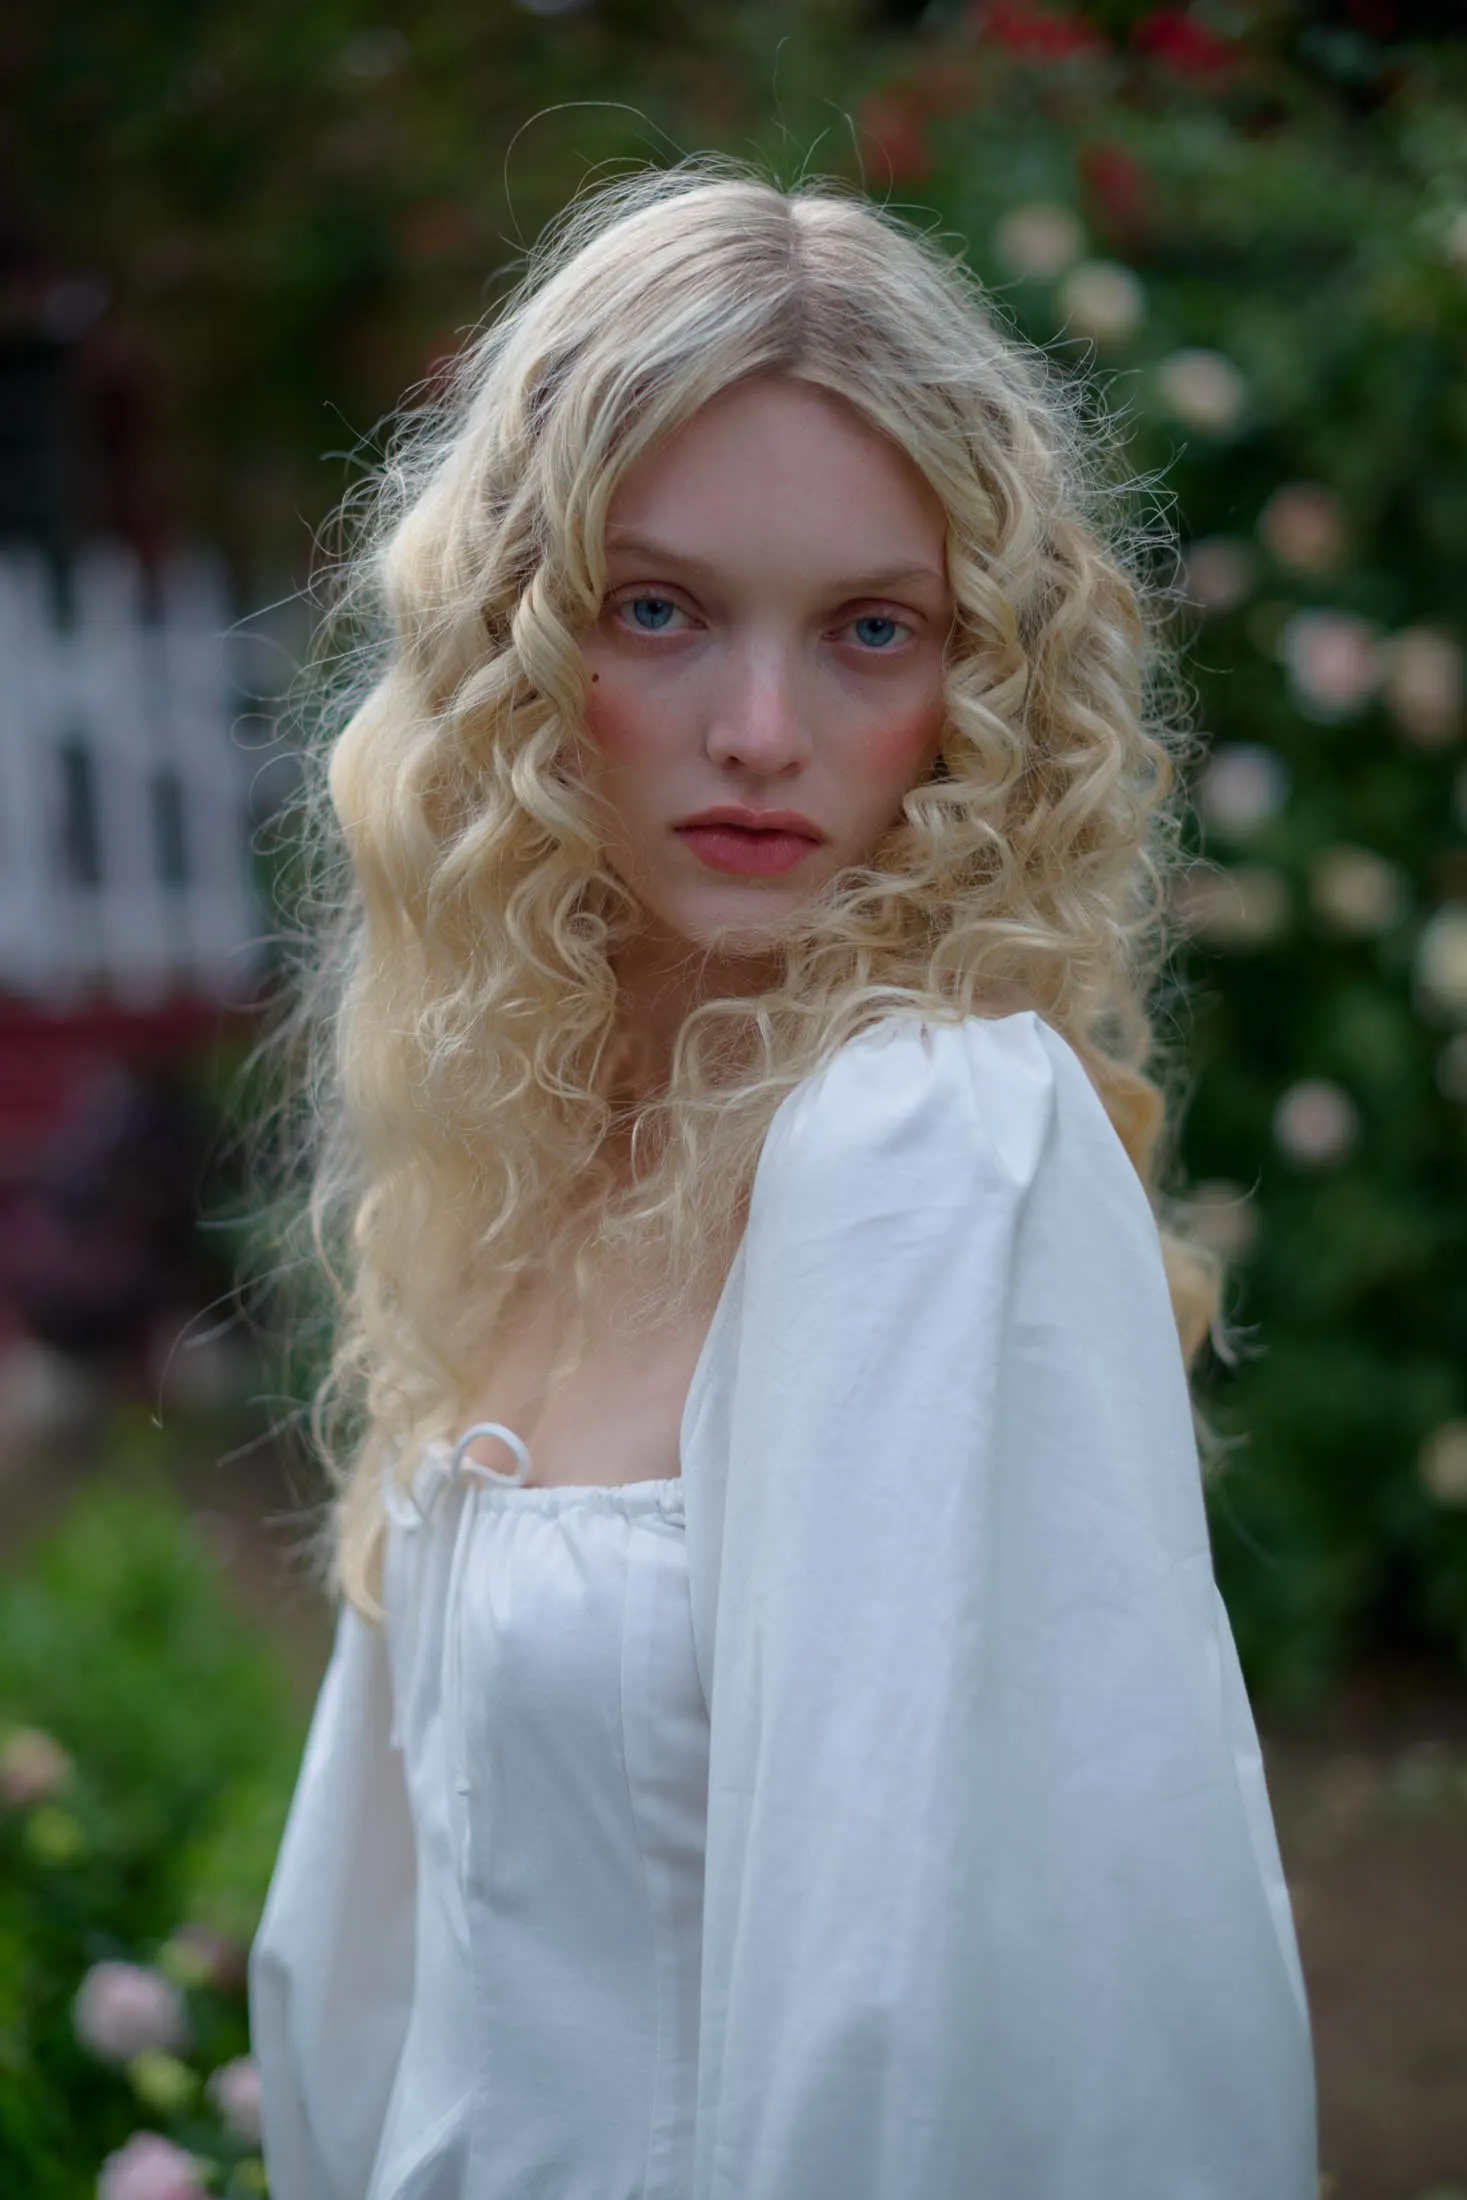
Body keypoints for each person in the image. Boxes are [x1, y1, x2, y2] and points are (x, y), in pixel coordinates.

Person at [247, 158, 1319, 2199]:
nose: (757, 729)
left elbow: (946, 2038)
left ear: (974, 683)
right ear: (519, 649)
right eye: (658, 609)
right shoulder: (528, 1167)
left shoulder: (927, 1143)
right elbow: (392, 1985)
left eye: (866, 629)